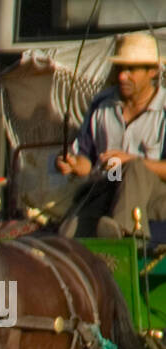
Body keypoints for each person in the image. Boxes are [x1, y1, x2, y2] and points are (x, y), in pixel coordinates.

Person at [57, 31, 166, 239]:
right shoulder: (102, 104)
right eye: (120, 69)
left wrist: (132, 160)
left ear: (152, 71)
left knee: (134, 169)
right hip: (107, 187)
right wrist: (72, 164)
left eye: (131, 69)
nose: (123, 76)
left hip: (155, 198)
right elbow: (86, 160)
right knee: (68, 231)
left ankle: (123, 235)